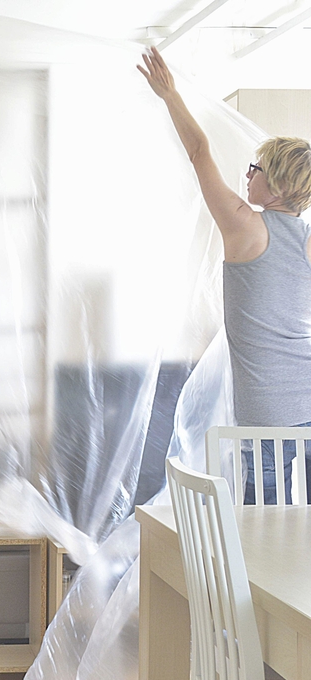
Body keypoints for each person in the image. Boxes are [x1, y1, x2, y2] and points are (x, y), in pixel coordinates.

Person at [138, 46, 311, 504]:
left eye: (256, 167)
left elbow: (199, 152)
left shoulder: (245, 225)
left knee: (261, 528)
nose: (247, 173)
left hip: (268, 413)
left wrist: (169, 95)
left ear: (275, 182)